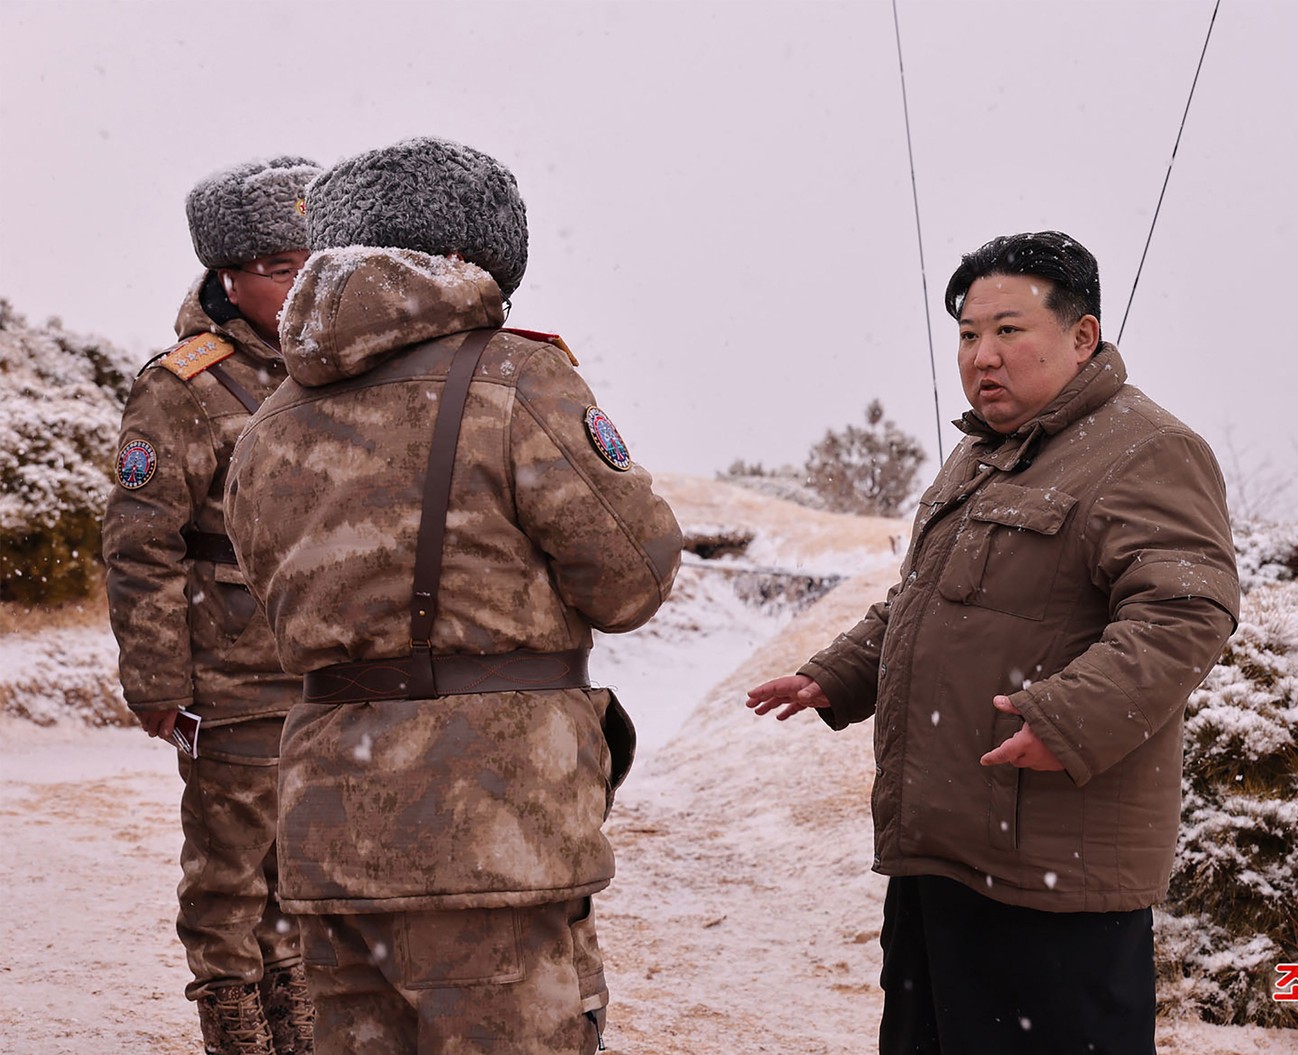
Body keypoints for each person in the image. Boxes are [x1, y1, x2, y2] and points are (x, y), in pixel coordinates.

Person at [222, 136, 682, 1055]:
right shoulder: (517, 378)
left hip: (328, 826)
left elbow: (270, 594)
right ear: (476, 255)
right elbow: (632, 576)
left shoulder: (271, 413)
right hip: (491, 825)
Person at [746, 231, 1240, 1054]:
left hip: (1052, 876)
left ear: (1082, 337)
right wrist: (836, 676)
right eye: (970, 334)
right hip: (939, 855)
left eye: (1009, 330)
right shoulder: (979, 454)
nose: (982, 356)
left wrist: (1067, 718)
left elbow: (1186, 611)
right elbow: (926, 603)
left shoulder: (1147, 450)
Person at [103, 156, 323, 1055]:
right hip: (231, 672)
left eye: (315, 257)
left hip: (331, 670)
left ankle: (299, 1013)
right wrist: (157, 678)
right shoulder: (183, 384)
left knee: (305, 869)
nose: (300, 279)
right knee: (232, 873)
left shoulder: (341, 369)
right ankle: (233, 1020)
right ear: (227, 275)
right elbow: (140, 540)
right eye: (277, 265)